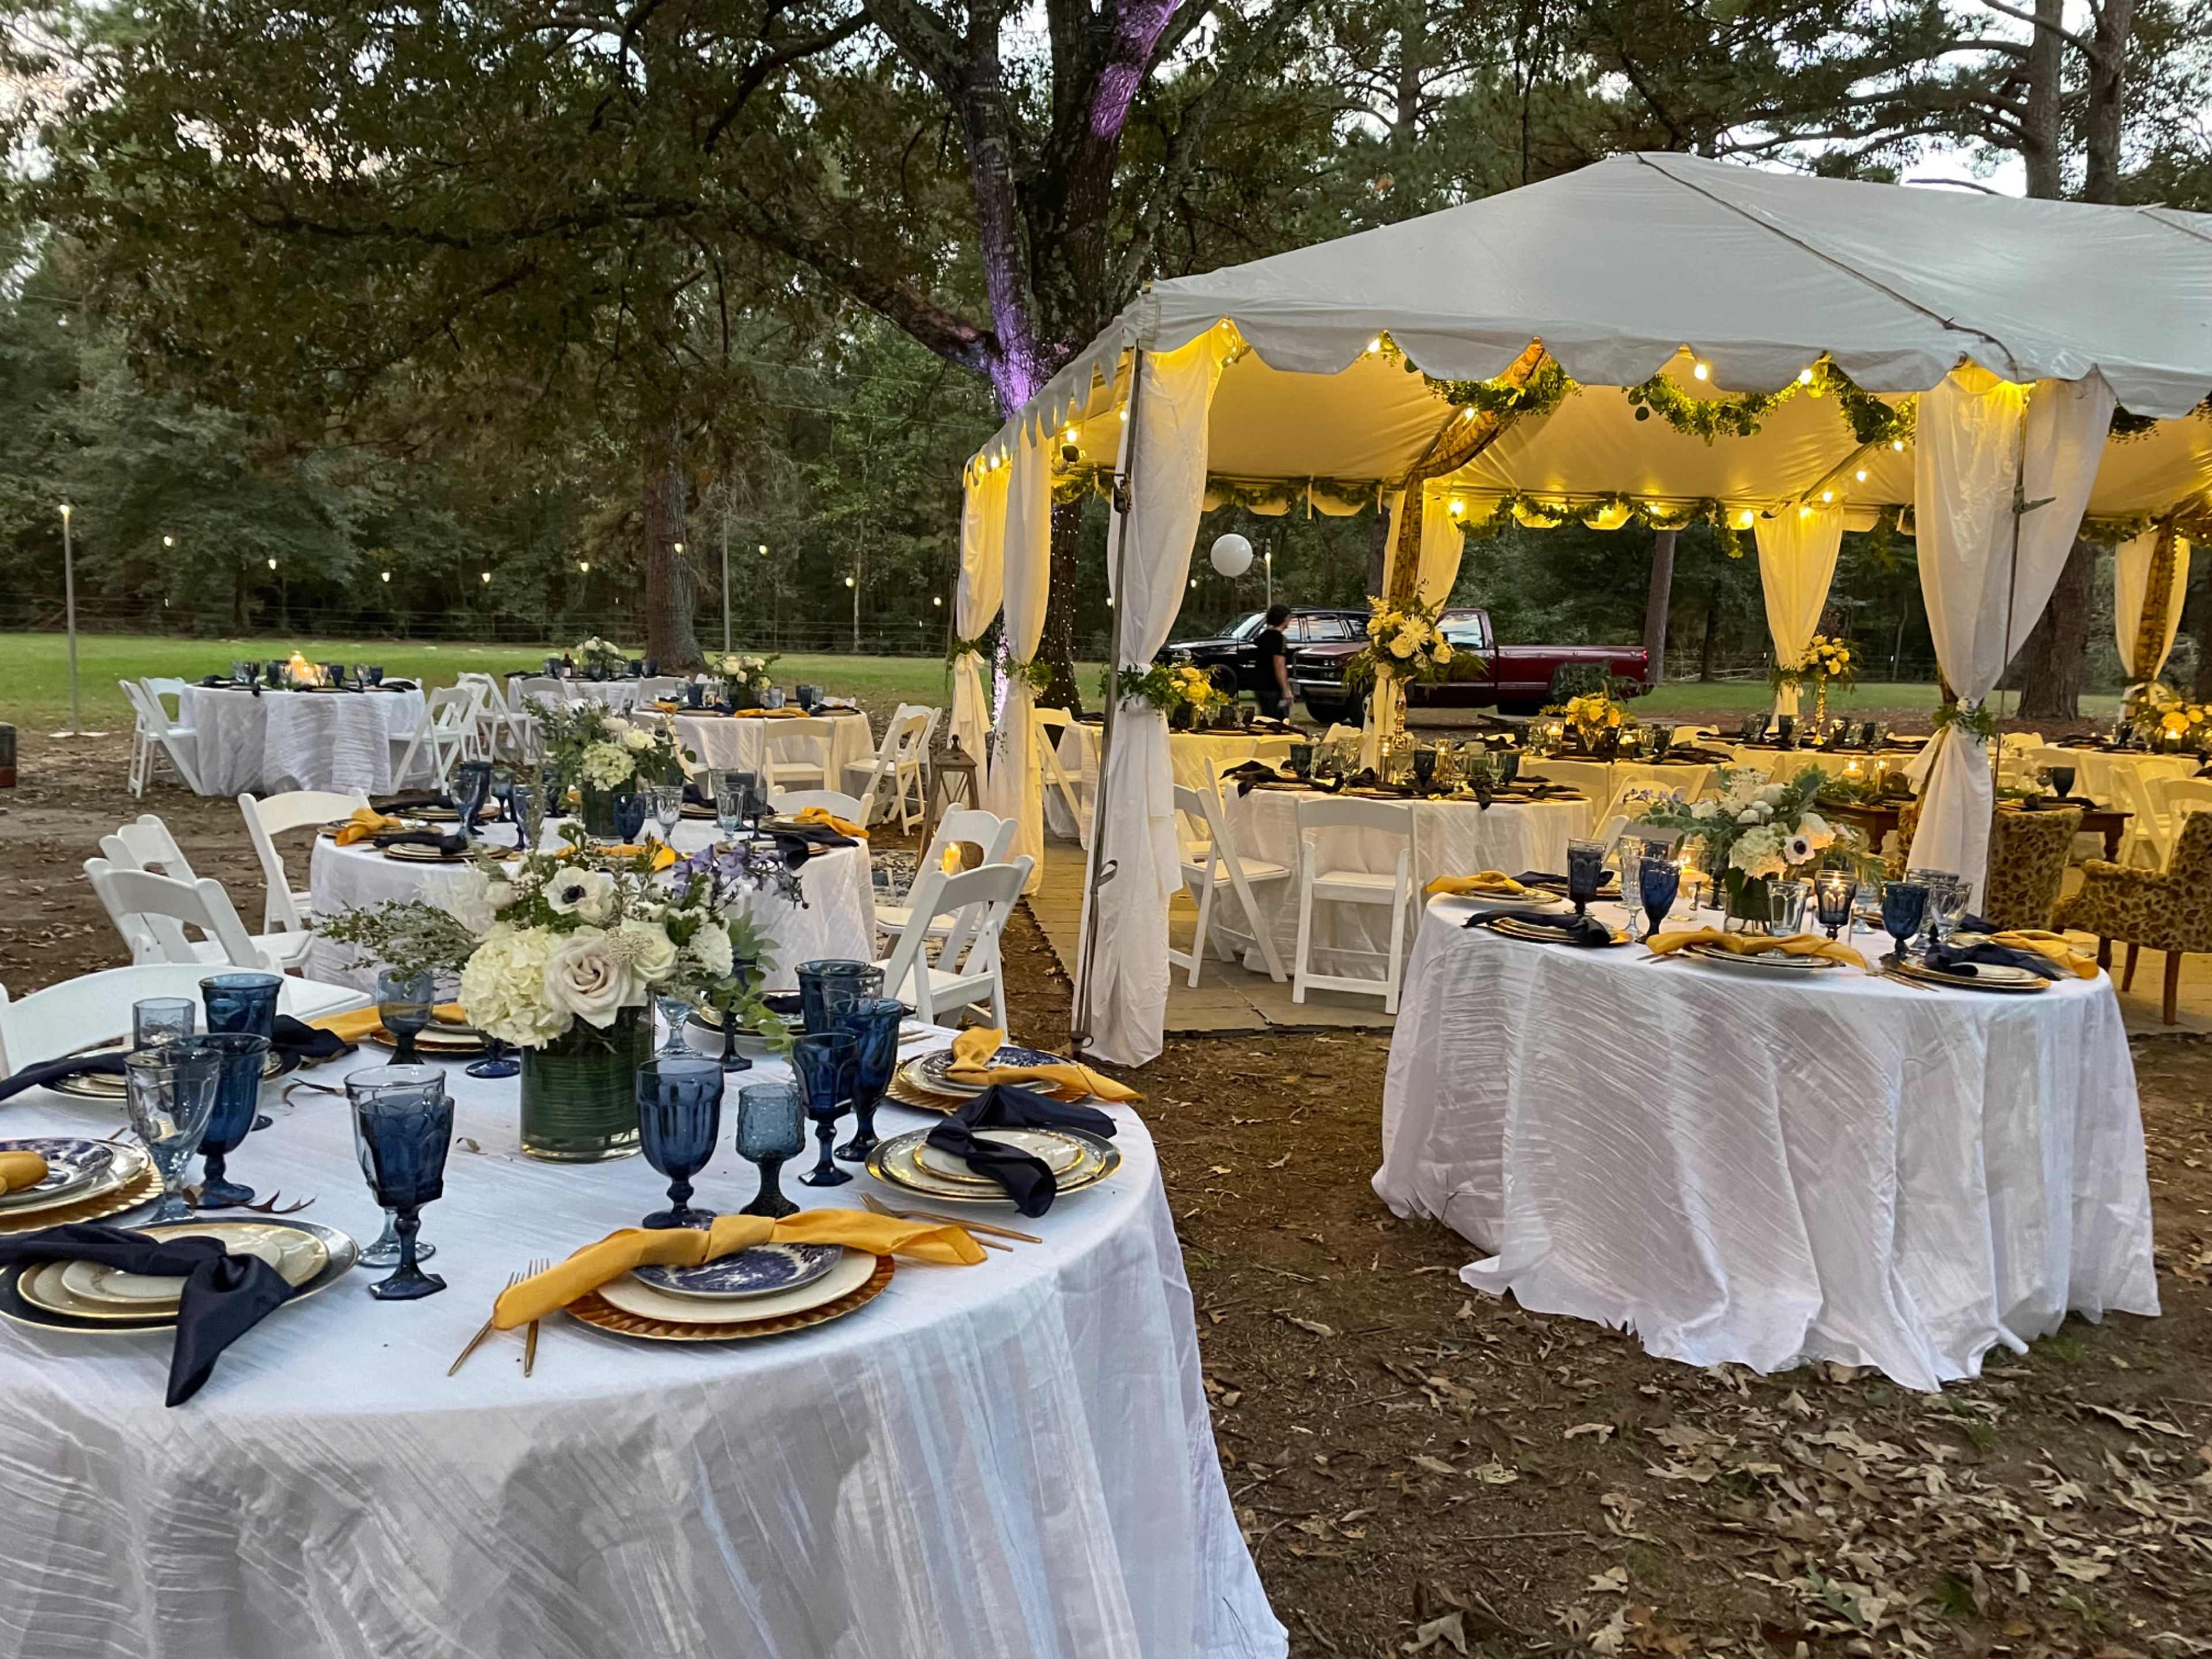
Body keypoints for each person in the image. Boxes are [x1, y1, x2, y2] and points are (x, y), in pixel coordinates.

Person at [1253, 603, 1293, 720]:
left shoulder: (1263, 636)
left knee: (1266, 718)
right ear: (1285, 619)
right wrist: (1285, 690)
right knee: (1277, 720)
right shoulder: (1280, 639)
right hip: (1273, 687)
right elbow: (1279, 665)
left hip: (1260, 685)